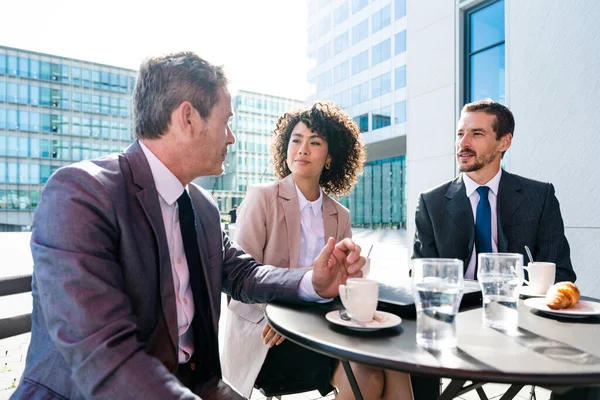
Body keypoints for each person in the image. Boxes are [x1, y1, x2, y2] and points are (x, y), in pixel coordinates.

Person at [11, 52, 366, 400]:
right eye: (226, 121)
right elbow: (104, 358)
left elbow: (243, 275)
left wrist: (314, 282)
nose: (231, 137)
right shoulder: (81, 195)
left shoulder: (202, 207)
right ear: (188, 118)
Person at [222, 102, 414, 400]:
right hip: (269, 336)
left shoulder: (340, 215)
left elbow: (340, 287)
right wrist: (283, 316)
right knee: (366, 378)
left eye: (314, 143)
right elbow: (240, 281)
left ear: (329, 157)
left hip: (325, 327)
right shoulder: (261, 199)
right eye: (296, 140)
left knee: (395, 362)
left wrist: (355, 276)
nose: (302, 149)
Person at [412, 99, 577, 400]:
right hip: (456, 320)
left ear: (504, 142)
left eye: (476, 134)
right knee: (411, 353)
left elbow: (562, 273)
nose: (463, 142)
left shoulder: (539, 197)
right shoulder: (432, 203)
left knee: (586, 368)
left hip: (523, 320)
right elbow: (421, 273)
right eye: (460, 133)